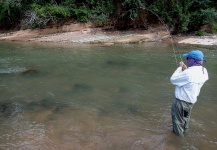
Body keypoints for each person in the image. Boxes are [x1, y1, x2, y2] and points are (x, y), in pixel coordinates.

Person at [170, 50, 209, 136]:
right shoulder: (204, 71)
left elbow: (173, 79)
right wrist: (186, 70)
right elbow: (191, 78)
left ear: (192, 60)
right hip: (190, 102)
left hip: (180, 102)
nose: (187, 60)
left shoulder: (188, 73)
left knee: (177, 123)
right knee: (185, 119)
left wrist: (180, 68)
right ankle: (185, 134)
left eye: (188, 58)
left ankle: (178, 142)